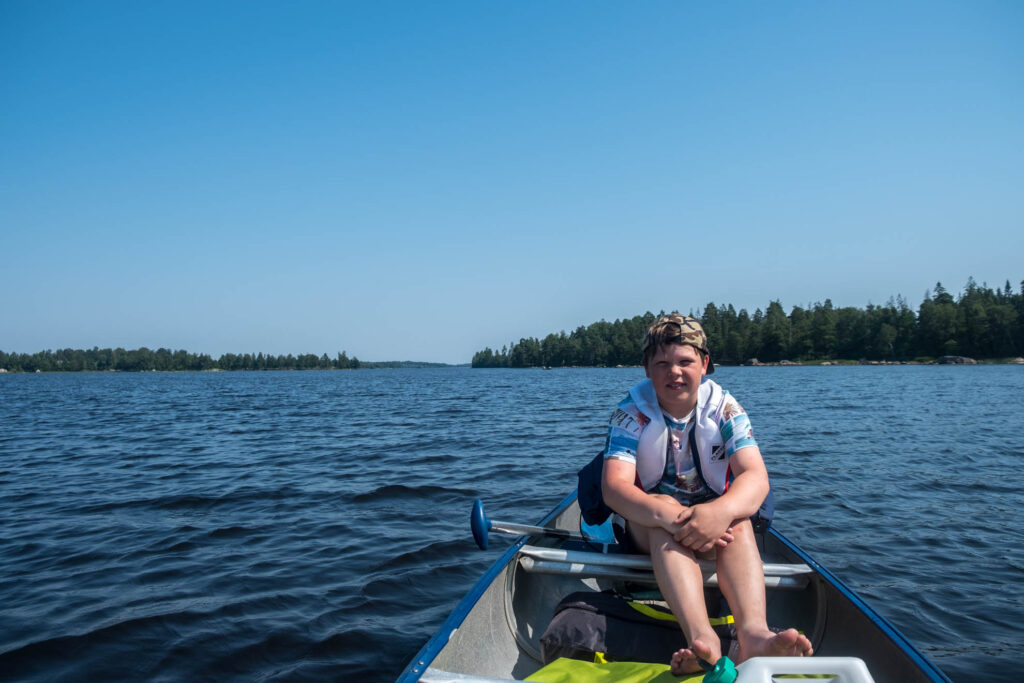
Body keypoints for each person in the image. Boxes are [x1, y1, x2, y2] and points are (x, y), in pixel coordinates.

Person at [601, 313, 813, 674]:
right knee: (663, 513)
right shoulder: (630, 413)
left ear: (705, 364)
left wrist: (719, 513)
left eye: (685, 361)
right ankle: (703, 640)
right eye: (663, 364)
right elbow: (614, 488)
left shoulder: (727, 409)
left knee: (739, 519)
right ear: (647, 369)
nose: (675, 372)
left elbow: (755, 478)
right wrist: (668, 515)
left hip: (715, 525)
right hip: (652, 524)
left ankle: (754, 635)